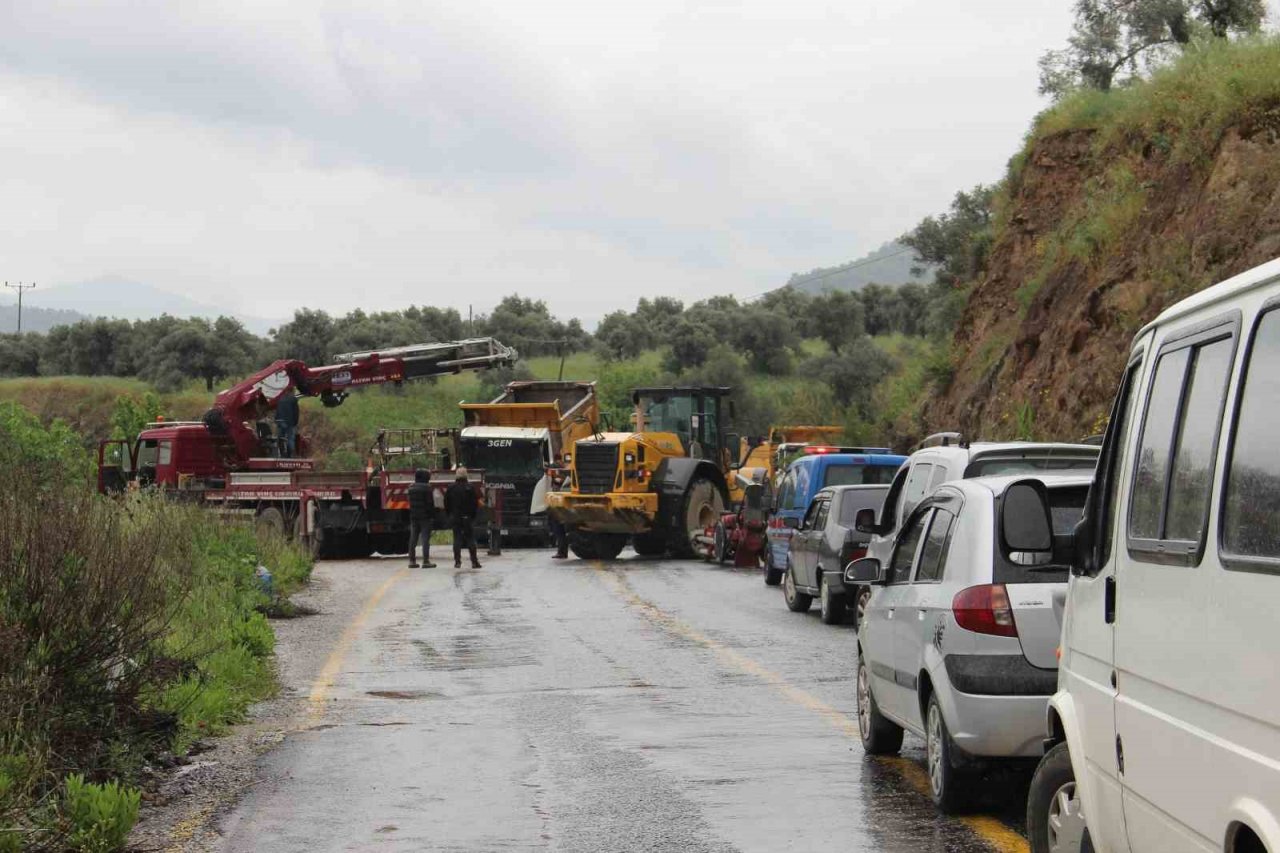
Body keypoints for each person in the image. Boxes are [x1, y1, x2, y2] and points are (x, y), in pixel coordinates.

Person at [445, 467, 482, 569]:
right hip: (467, 517)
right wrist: (473, 516)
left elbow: (446, 503)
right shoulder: (470, 487)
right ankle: (474, 562)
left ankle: (457, 562)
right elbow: (475, 504)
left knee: (457, 539)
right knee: (470, 539)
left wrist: (450, 515)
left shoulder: (451, 488)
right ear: (466, 475)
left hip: (455, 517)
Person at [407, 468, 436, 569]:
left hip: (414, 516)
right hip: (425, 517)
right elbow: (430, 504)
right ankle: (426, 561)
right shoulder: (427, 488)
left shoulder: (411, 488)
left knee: (413, 538)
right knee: (425, 539)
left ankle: (412, 561)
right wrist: (432, 516)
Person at [275, 392, 300, 458]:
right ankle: (290, 455)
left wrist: (277, 420)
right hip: (289, 422)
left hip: (280, 421)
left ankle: (281, 454)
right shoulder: (293, 399)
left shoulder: (280, 399)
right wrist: (295, 423)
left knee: (280, 437)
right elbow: (296, 412)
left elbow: (277, 410)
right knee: (290, 438)